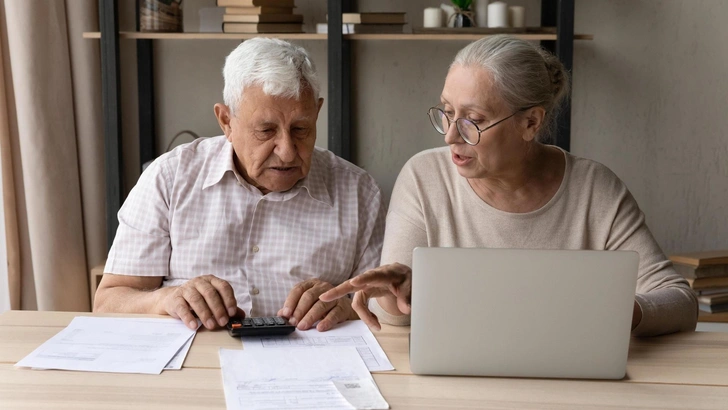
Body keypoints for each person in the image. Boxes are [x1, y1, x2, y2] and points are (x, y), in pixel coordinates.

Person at [321, 35, 697, 337]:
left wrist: (612, 314)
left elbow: (681, 301)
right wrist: (397, 295)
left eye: (473, 120)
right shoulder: (425, 177)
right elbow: (396, 322)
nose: (451, 135)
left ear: (531, 123)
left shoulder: (594, 189)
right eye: (448, 112)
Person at [94, 38, 386, 333]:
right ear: (226, 121)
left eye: (301, 129)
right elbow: (109, 301)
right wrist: (165, 299)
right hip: (193, 368)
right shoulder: (170, 178)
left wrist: (347, 308)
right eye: (266, 130)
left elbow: (386, 310)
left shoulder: (359, 194)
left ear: (317, 114)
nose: (286, 151)